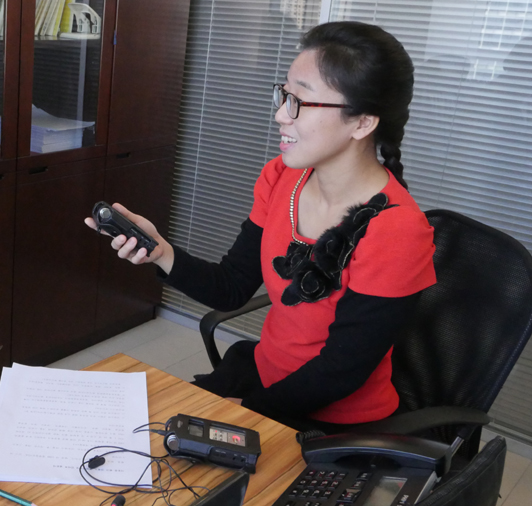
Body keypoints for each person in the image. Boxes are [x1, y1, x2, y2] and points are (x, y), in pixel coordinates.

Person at [86, 21, 435, 432]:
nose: (280, 115)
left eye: (299, 102)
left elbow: (340, 372)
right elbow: (231, 287)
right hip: (265, 381)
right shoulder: (282, 178)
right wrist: (162, 252)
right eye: (284, 95)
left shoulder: (397, 230)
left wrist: (247, 408)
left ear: (362, 123)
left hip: (330, 420)